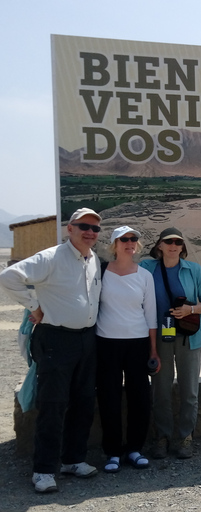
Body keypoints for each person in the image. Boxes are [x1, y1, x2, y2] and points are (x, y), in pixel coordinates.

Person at [0, 208, 103, 493]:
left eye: (95, 228)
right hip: (56, 340)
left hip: (86, 339)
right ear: (69, 229)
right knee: (53, 404)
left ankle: (73, 460)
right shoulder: (51, 257)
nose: (90, 232)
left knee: (83, 401)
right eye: (84, 226)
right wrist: (34, 306)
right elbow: (8, 277)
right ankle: (44, 470)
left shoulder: (93, 259)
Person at [140, 227, 201, 459]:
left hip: (189, 338)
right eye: (168, 241)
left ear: (182, 247)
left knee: (189, 391)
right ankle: (162, 437)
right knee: (160, 390)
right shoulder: (146, 269)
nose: (173, 245)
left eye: (178, 242)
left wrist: (190, 309)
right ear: (159, 246)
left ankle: (184, 438)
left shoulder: (193, 270)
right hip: (159, 338)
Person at [96, 226, 160, 473]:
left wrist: (153, 351)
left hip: (138, 343)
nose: (130, 243)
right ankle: (112, 452)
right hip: (107, 342)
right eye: (124, 239)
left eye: (134, 239)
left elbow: (151, 315)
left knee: (139, 397)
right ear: (114, 244)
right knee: (108, 397)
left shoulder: (144, 275)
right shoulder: (101, 273)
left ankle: (135, 449)